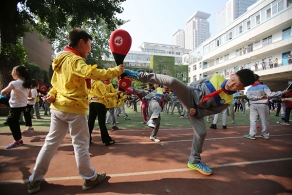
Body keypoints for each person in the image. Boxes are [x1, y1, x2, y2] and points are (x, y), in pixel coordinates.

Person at [27, 28, 124, 194]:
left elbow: (55, 83)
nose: (90, 48)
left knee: (50, 144)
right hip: (74, 108)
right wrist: (116, 71)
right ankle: (89, 178)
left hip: (58, 107)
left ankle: (34, 180)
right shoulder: (74, 59)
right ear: (81, 42)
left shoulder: (60, 59)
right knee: (80, 144)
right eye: (89, 44)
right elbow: (90, 72)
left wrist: (52, 94)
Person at [123, 68, 256, 176]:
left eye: (236, 85)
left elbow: (212, 111)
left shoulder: (227, 100)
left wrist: (197, 112)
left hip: (196, 109)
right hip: (189, 94)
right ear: (232, 75)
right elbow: (197, 82)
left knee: (202, 132)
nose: (231, 84)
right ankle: (138, 75)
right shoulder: (216, 77)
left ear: (241, 88)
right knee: (172, 81)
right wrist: (185, 91)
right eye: (232, 80)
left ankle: (194, 161)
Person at [245, 74, 289, 140]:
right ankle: (265, 134)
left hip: (253, 105)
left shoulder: (249, 88)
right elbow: (271, 94)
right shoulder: (264, 86)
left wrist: (257, 97)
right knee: (265, 120)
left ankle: (252, 134)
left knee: (253, 120)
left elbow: (249, 97)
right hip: (263, 104)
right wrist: (283, 92)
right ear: (258, 79)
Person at [1, 65, 32, 149]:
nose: (11, 73)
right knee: (13, 121)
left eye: (12, 71)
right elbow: (29, 95)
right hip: (21, 104)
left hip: (15, 106)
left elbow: (4, 92)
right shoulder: (27, 83)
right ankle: (18, 139)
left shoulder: (14, 83)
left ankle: (18, 140)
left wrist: (3, 93)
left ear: (16, 73)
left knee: (11, 121)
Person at [88, 79, 121, 146]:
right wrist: (116, 94)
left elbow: (87, 93)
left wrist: (91, 97)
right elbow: (105, 94)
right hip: (100, 104)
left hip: (92, 103)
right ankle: (106, 140)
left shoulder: (90, 83)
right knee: (102, 123)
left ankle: (86, 140)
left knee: (90, 123)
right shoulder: (99, 82)